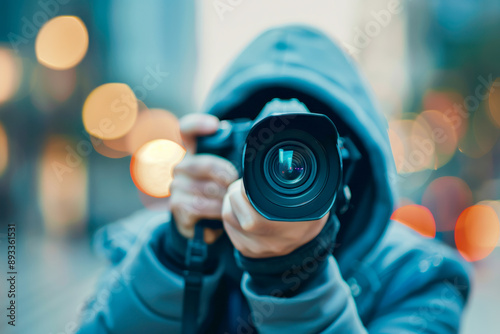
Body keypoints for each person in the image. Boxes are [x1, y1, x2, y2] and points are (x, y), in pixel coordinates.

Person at [77, 25, 470, 333]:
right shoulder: (140, 249)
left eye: (310, 152)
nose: (284, 169)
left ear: (350, 164)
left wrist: (299, 278)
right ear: (216, 150)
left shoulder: (420, 277)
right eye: (254, 144)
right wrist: (178, 252)